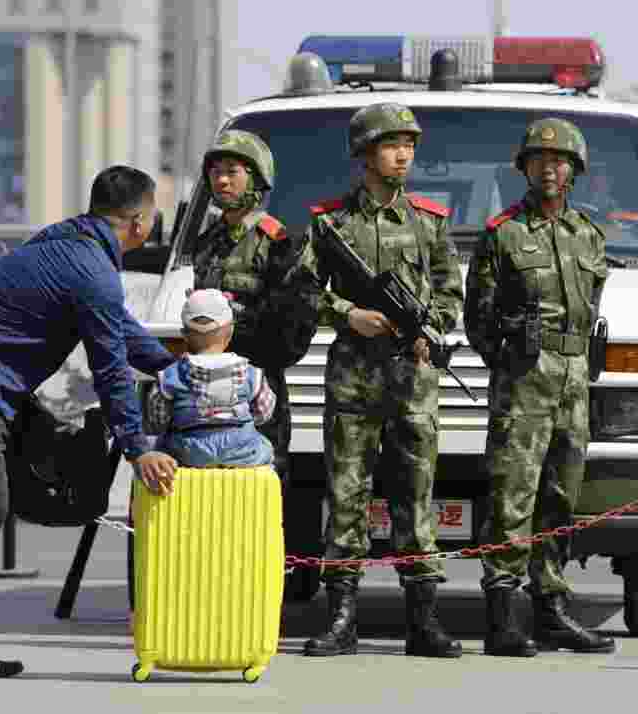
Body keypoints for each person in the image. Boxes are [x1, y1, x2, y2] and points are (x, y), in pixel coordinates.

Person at [0, 166, 179, 683]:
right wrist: (138, 447)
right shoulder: (91, 269)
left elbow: (117, 330)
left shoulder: (71, 243)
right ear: (140, 221)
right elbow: (111, 368)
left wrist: (177, 368)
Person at [301, 103, 464, 659]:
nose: (404, 155)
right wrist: (348, 314)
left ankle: (423, 620)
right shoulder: (329, 223)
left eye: (410, 145)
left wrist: (430, 328)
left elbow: (449, 293)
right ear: (365, 153)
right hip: (354, 379)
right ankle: (342, 619)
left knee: (415, 500)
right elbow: (304, 289)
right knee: (346, 497)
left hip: (412, 381)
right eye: (392, 145)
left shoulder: (430, 222)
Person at [464, 118, 616, 656]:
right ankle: (502, 618)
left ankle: (551, 607)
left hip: (575, 383)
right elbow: (477, 321)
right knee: (512, 497)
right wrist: (511, 363)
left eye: (559, 161)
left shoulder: (589, 235)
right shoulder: (502, 234)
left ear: (574, 170)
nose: (549, 168)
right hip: (525, 382)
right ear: (524, 169)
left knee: (560, 496)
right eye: (538, 160)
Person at [181, 129, 317, 487]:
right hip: (203, 393)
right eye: (215, 173)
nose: (222, 180)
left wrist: (239, 341)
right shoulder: (206, 243)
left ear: (256, 178)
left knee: (261, 492)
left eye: (232, 171)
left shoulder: (278, 244)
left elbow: (295, 327)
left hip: (256, 391)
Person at [145, 288, 277, 467]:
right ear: (230, 333)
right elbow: (264, 413)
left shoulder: (170, 376)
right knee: (266, 448)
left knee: (158, 446)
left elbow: (158, 419)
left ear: (184, 336)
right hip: (242, 451)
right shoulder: (251, 373)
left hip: (187, 453)